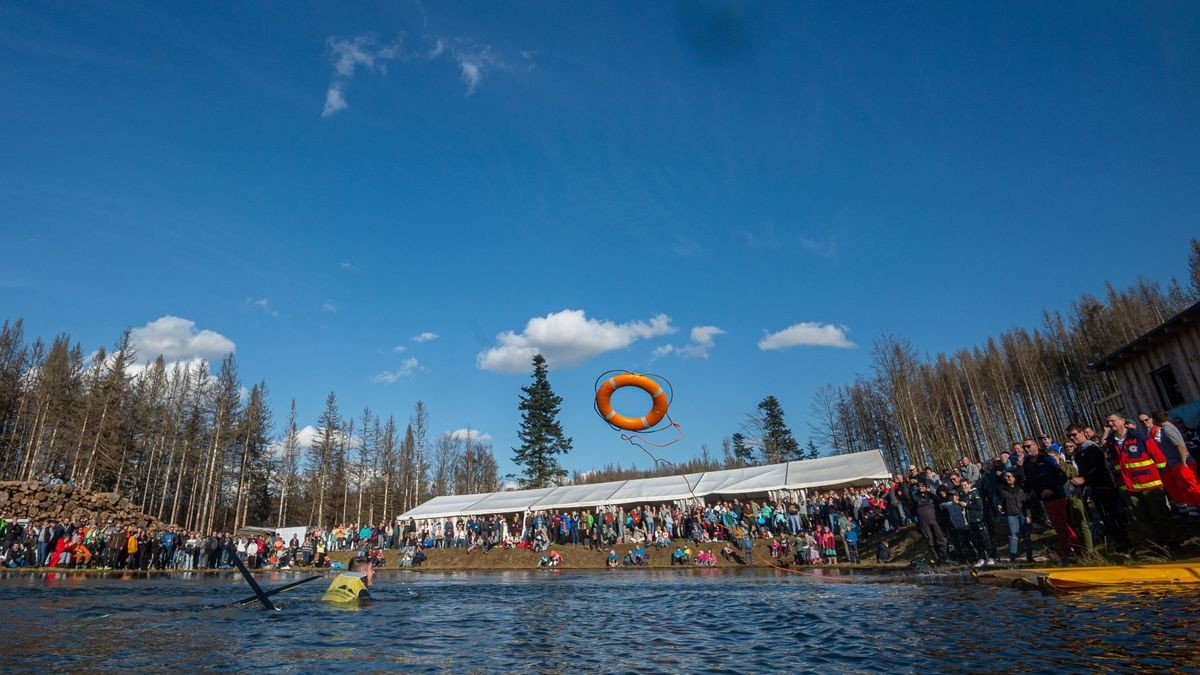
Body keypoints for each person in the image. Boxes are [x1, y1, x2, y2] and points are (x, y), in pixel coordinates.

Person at [1105, 412, 1175, 548]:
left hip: (1150, 485)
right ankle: (1154, 546)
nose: (1110, 424)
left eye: (1112, 421)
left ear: (1122, 421)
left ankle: (1172, 542)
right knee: (1139, 519)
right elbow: (1115, 465)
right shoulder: (1111, 442)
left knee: (1160, 514)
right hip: (1129, 487)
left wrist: (1157, 477)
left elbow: (1159, 459)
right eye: (1108, 422)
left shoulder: (1139, 437)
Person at [1066, 423, 1128, 551]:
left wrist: (1084, 479)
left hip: (1105, 486)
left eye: (1074, 434)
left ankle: (1126, 545)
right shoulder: (1079, 451)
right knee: (1105, 518)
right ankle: (1117, 543)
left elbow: (1100, 467)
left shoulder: (1091, 448)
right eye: (1069, 436)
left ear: (1082, 433)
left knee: (1114, 516)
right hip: (1093, 488)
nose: (1072, 438)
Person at [1151, 410, 1200, 513]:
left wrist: (1183, 462)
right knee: (1186, 488)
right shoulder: (1165, 429)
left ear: (1155, 420)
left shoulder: (1168, 429)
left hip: (1182, 463)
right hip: (1177, 464)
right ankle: (1193, 511)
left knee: (1193, 487)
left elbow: (1180, 446)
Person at [998, 471, 1033, 563]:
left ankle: (1030, 557)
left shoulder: (1021, 489)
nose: (1007, 478)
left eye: (1009, 476)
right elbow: (1000, 501)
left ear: (1014, 477)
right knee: (1013, 536)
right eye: (1005, 476)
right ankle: (1012, 558)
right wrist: (999, 505)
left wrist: (1028, 515)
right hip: (1011, 515)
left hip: (1022, 513)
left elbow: (1027, 503)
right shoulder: (1002, 489)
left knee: (1026, 535)